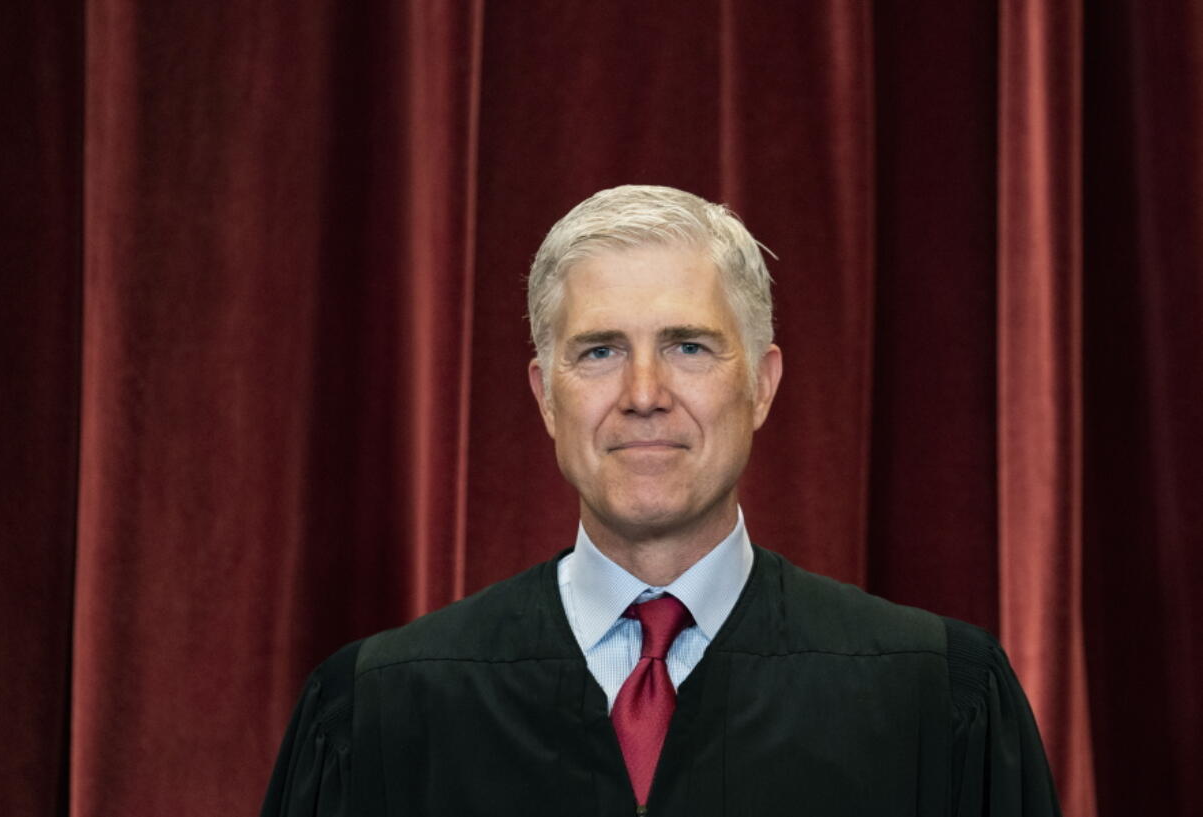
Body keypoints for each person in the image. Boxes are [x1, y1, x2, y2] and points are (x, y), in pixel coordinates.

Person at [261, 185, 1061, 816]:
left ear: (762, 384)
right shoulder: (378, 713)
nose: (644, 394)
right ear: (546, 397)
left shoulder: (937, 702)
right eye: (600, 350)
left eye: (688, 346)